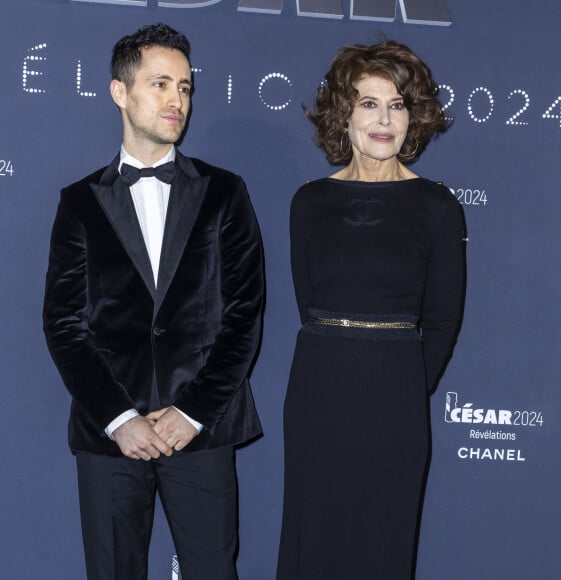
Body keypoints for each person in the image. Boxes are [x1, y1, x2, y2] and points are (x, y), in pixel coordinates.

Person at [43, 23, 264, 580]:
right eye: (160, 84)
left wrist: (191, 412)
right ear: (120, 92)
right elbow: (63, 323)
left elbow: (244, 313)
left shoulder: (225, 191)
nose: (176, 101)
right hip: (109, 431)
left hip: (203, 427)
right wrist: (120, 419)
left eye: (185, 88)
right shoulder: (78, 203)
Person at [276, 40, 466, 579]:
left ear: (414, 117)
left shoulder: (436, 206)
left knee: (382, 547)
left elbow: (444, 319)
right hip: (317, 388)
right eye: (368, 103)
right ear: (345, 113)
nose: (384, 119)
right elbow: (307, 300)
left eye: (398, 105)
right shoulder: (308, 201)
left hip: (395, 396)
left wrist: (403, 384)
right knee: (312, 539)